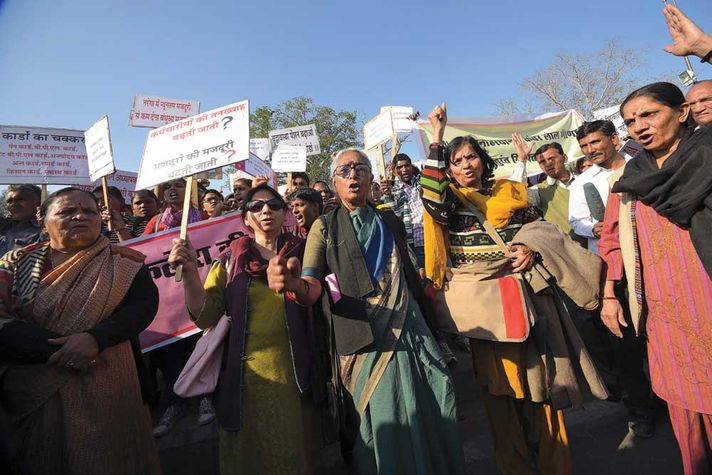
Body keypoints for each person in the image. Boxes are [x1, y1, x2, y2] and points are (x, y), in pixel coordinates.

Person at [421, 103, 608, 475]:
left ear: (483, 160)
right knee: (500, 394)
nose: (465, 165)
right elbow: (432, 199)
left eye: (471, 157)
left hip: (529, 300)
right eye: (457, 161)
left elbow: (541, 229)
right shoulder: (449, 202)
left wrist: (529, 249)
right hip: (485, 311)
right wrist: (438, 138)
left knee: (545, 385)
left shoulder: (509, 191)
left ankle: (556, 466)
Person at [267, 148, 465, 474]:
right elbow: (313, 287)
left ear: (371, 177)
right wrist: (292, 284)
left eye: (360, 168)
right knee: (381, 421)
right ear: (334, 183)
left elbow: (411, 277)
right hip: (364, 343)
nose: (353, 174)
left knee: (435, 403)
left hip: (411, 333)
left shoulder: (389, 220)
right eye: (344, 170)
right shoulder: (325, 228)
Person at [0, 187, 160, 474]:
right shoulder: (14, 263)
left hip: (110, 379)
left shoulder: (125, 262)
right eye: (66, 211)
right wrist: (62, 349)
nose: (80, 216)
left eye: (89, 211)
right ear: (43, 220)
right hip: (33, 383)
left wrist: (96, 339)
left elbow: (142, 307)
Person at [168, 184, 320, 474]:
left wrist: (296, 285)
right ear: (246, 219)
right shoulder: (229, 259)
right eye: (256, 206)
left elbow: (318, 298)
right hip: (243, 379)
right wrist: (189, 274)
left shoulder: (306, 252)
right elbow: (206, 316)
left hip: (297, 373)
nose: (266, 211)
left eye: (274, 205)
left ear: (286, 213)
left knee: (295, 451)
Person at [600, 82, 712, 474]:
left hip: (708, 302)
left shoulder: (706, 157)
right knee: (686, 419)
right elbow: (611, 238)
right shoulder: (632, 177)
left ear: (682, 112)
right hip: (665, 316)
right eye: (631, 121)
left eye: (649, 114)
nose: (639, 127)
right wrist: (610, 294)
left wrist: (705, 50)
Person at [143, 178, 212, 435]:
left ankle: (206, 395)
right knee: (172, 356)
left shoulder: (204, 218)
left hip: (198, 297)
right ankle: (176, 403)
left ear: (190, 190)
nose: (173, 190)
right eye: (168, 186)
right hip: (168, 306)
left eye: (179, 186)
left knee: (201, 349)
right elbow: (142, 255)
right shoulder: (156, 223)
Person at [510, 136, 583, 244]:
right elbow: (514, 195)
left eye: (551, 159)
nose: (548, 164)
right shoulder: (539, 191)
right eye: (542, 162)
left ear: (564, 158)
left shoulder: (584, 180)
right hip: (570, 251)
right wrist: (522, 159)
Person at [568, 120, 627, 253]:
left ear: (614, 139)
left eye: (595, 142)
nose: (590, 150)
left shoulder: (639, 166)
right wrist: (593, 229)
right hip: (608, 253)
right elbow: (576, 221)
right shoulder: (581, 182)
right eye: (584, 146)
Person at [380, 153, 426, 269]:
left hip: (432, 238)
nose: (404, 170)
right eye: (399, 167)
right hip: (413, 244)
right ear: (395, 171)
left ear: (412, 166)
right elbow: (396, 219)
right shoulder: (392, 191)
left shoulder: (422, 183)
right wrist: (388, 196)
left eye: (407, 166)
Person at [0, 184, 42, 256]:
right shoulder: (3, 225)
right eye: (9, 201)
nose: (13, 205)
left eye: (19, 200)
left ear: (38, 202)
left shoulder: (47, 229)